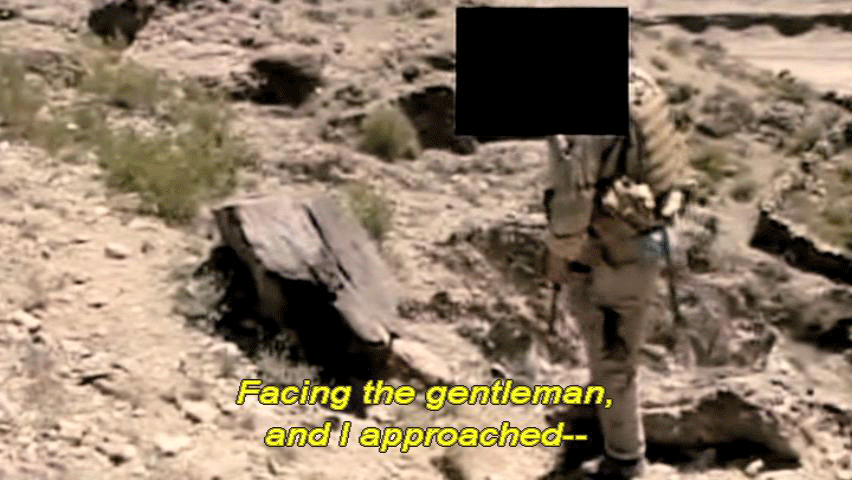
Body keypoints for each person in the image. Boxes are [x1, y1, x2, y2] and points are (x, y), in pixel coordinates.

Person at [540, 65, 695, 479]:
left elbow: (571, 208)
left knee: (612, 359)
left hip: (607, 252)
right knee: (620, 346)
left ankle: (625, 459)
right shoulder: (642, 86)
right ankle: (609, 426)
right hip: (648, 243)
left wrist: (558, 258)